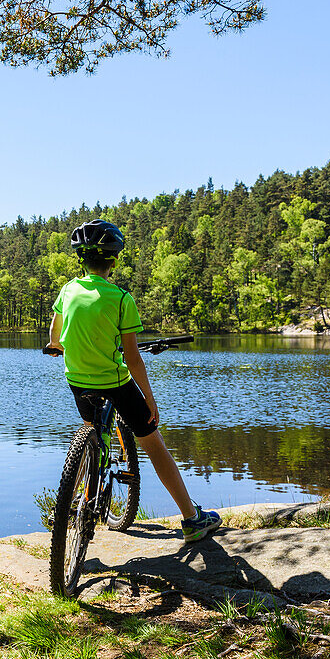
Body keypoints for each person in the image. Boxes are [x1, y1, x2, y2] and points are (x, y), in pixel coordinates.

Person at [46, 219, 221, 543]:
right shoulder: (121, 298)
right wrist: (150, 401)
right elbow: (133, 358)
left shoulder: (68, 290)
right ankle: (191, 519)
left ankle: (79, 499)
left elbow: (55, 333)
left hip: (78, 382)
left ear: (81, 259)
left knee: (92, 435)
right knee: (153, 442)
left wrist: (56, 346)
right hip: (114, 383)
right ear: (114, 259)